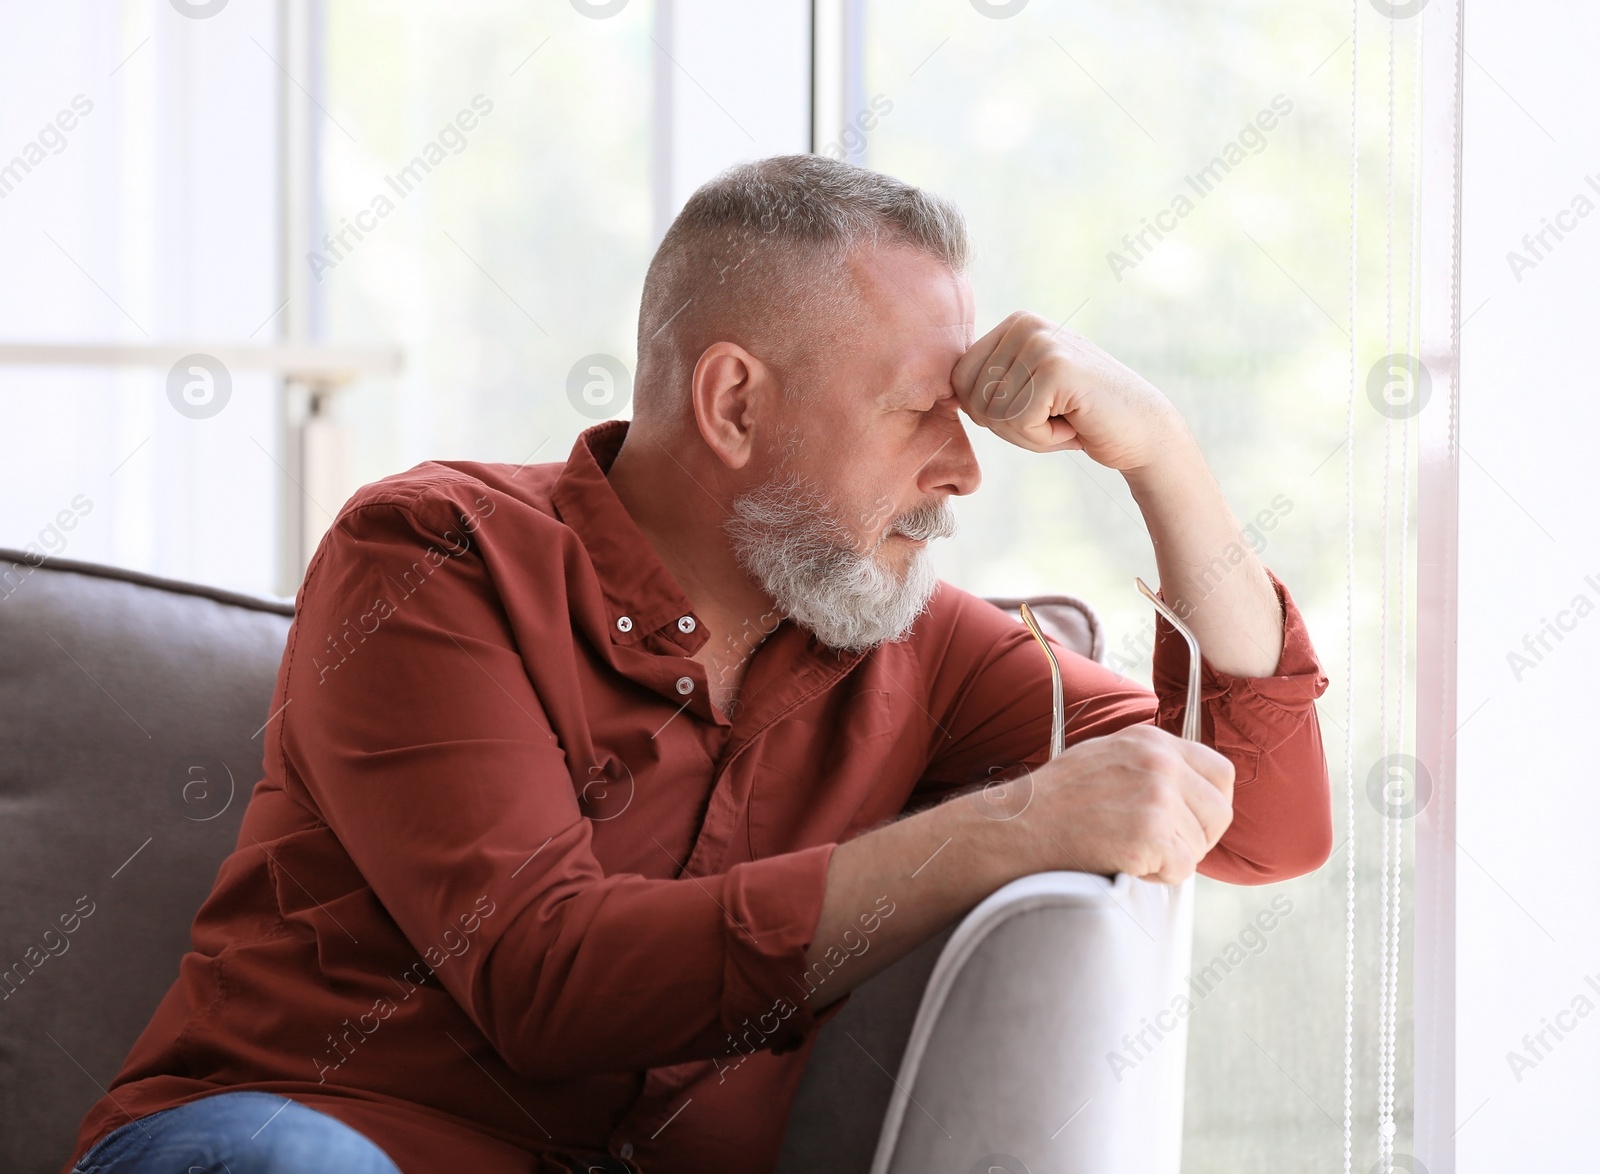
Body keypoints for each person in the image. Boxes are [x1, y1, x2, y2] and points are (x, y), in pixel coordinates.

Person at [64, 154, 1330, 1174]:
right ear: (732, 404)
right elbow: (544, 979)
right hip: (311, 1143)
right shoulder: (435, 555)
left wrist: (1160, 451)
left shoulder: (921, 644)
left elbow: (1264, 825)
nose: (963, 468)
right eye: (915, 411)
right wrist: (1000, 831)